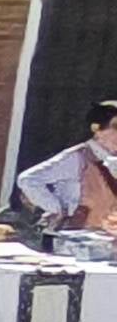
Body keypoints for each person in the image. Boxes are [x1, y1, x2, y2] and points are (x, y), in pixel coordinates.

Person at [13, 99, 117, 235]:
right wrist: (58, 209)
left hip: (107, 240)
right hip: (74, 238)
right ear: (97, 129)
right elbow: (28, 179)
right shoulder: (77, 157)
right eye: (115, 127)